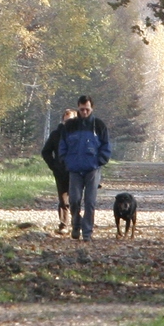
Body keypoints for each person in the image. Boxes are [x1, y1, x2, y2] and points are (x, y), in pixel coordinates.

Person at [55, 96, 112, 240]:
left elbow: (106, 146)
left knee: (90, 201)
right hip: (74, 169)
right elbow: (62, 145)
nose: (84, 112)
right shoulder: (70, 126)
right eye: (82, 109)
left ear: (92, 108)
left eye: (87, 109)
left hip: (92, 169)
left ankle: (87, 232)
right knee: (74, 200)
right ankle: (76, 224)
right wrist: (65, 160)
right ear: (78, 108)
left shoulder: (99, 125)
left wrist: (100, 161)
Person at [40, 107, 80, 230]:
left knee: (75, 199)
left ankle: (76, 223)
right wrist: (54, 166)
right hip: (60, 171)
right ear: (63, 121)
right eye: (66, 120)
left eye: (71, 120)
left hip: (76, 172)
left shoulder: (80, 134)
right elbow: (46, 152)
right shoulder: (56, 134)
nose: (68, 123)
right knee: (63, 200)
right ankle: (64, 224)